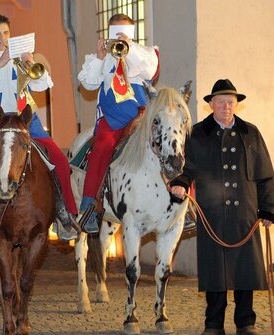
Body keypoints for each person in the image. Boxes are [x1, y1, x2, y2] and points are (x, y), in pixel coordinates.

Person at [170, 79, 274, 335]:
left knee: (245, 269)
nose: (226, 106)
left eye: (230, 102)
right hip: (212, 214)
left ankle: (245, 322)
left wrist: (268, 209)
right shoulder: (197, 134)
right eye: (220, 102)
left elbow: (265, 175)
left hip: (245, 215)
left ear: (236, 104)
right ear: (211, 105)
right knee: (215, 270)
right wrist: (181, 183)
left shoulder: (251, 133)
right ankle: (213, 323)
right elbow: (188, 169)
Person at [0, 13, 79, 240]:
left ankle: (66, 212)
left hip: (24, 119)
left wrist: (29, 62)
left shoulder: (21, 59)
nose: (2, 38)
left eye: (6, 33)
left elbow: (43, 83)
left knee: (59, 159)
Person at [77, 13, 158, 233]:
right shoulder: (101, 56)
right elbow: (88, 84)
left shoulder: (146, 52)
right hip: (112, 117)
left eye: (124, 31)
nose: (120, 36)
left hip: (140, 114)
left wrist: (129, 47)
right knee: (101, 147)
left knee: (168, 142)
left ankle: (180, 200)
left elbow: (149, 71)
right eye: (115, 31)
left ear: (132, 33)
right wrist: (100, 58)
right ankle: (90, 208)